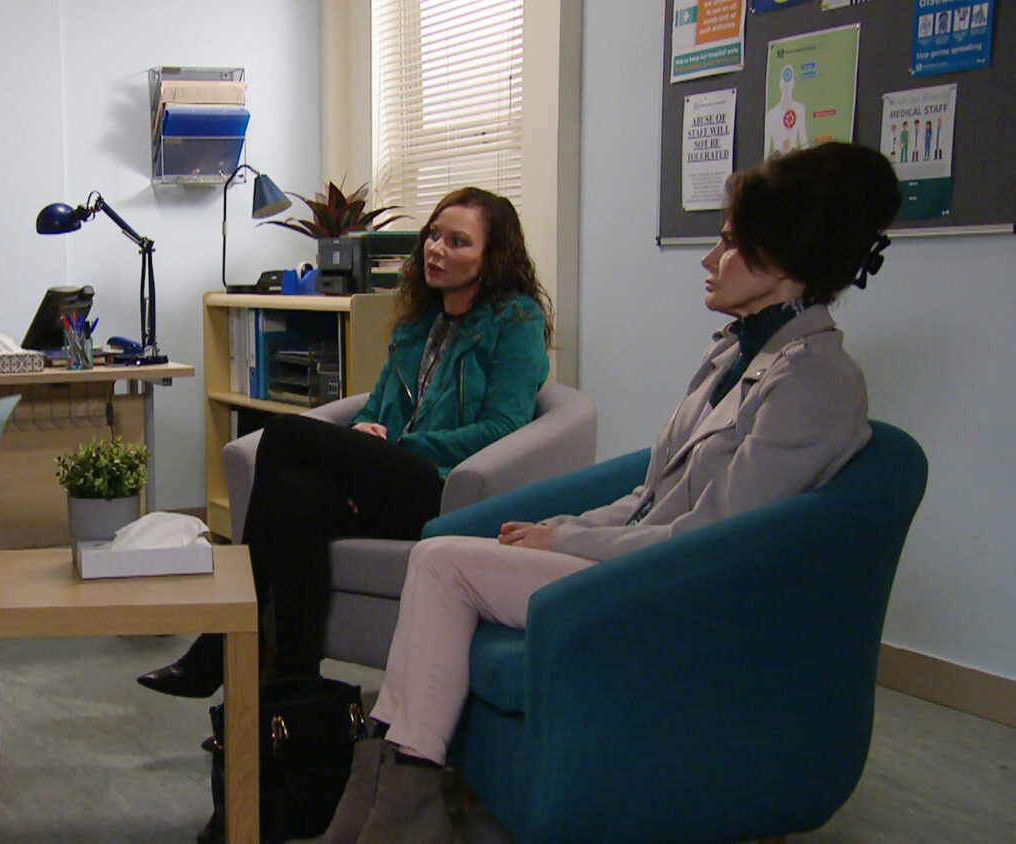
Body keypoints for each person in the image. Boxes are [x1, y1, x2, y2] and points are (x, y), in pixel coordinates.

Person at [303, 142, 902, 844]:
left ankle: (398, 805)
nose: (710, 259)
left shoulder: (814, 382)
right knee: (441, 561)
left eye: (732, 244)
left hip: (671, 588)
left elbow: (712, 540)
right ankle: (390, 792)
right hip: (636, 561)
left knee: (442, 564)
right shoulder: (733, 352)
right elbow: (652, 491)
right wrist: (560, 521)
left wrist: (567, 540)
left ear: (786, 263)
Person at [138, 187, 554, 698]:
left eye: (458, 242)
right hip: (390, 478)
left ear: (493, 258)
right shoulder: (417, 324)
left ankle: (217, 649)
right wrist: (363, 441)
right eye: (433, 237)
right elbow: (375, 408)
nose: (436, 249)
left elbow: (502, 430)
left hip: (443, 489)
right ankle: (293, 699)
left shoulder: (515, 323)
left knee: (287, 435)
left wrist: (397, 447)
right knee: (293, 501)